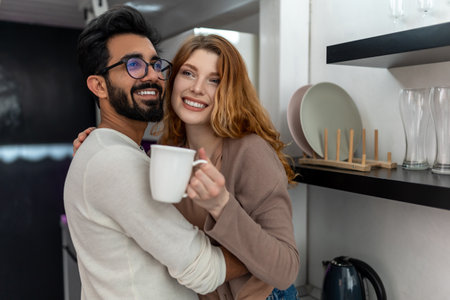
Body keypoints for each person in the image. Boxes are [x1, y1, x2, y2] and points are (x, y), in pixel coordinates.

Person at [75, 33, 300, 300]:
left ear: (229, 90)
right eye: (189, 73)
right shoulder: (172, 152)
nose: (197, 88)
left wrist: (221, 205)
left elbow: (286, 269)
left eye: (214, 80)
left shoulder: (250, 152)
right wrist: (102, 144)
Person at [64, 6, 247, 300]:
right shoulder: (115, 161)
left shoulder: (110, 152)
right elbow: (205, 270)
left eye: (154, 64)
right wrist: (267, 256)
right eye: (133, 65)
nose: (152, 76)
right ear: (99, 85)